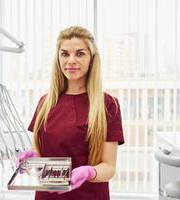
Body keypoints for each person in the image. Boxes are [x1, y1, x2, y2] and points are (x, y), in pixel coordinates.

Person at [17, 26, 124, 200]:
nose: (71, 60)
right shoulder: (45, 102)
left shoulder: (107, 104)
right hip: (47, 196)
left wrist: (90, 172)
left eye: (80, 53)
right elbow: (40, 153)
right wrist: (32, 159)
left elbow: (109, 168)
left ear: (92, 59)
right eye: (65, 54)